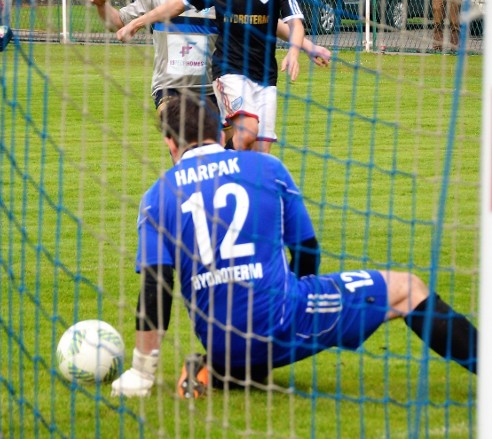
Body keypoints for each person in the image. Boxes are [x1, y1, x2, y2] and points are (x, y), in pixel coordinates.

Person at [110, 96, 477, 398]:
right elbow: (307, 250)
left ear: (170, 143)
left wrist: (142, 375)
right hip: (281, 322)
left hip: (220, 338)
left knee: (240, 334)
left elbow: (156, 288)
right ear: (219, 132)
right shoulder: (267, 168)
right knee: (408, 289)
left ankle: (215, 368)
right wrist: (296, 296)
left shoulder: (156, 197)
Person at [117, 0, 327, 154]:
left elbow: (286, 23)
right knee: (246, 132)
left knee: (258, 155)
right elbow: (177, 4)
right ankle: (210, 165)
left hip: (265, 75)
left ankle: (224, 171)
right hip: (226, 72)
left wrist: (303, 48)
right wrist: (137, 23)